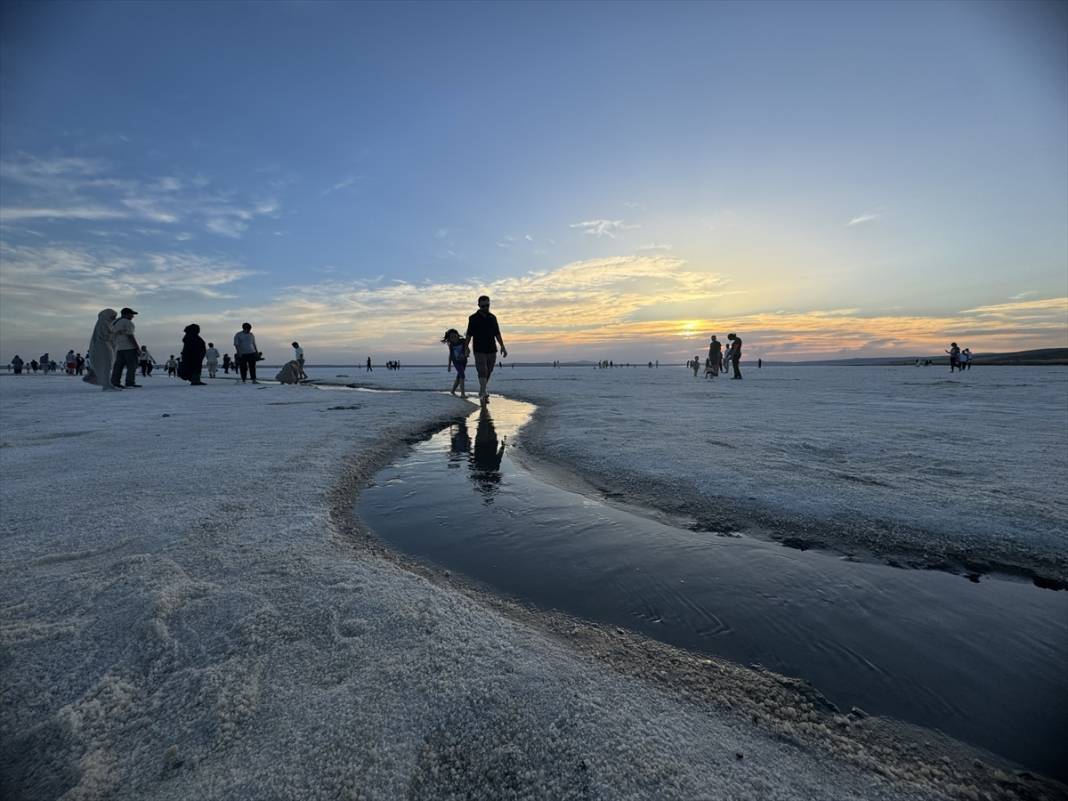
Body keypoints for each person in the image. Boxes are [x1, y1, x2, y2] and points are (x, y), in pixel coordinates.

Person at [464, 295, 507, 405]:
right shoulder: (473, 318)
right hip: (479, 349)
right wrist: (466, 347)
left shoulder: (493, 318)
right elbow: (469, 334)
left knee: (489, 370)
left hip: (492, 348)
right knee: (482, 369)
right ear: (478, 305)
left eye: (487, 305)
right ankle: (483, 392)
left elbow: (497, 333)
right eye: (483, 306)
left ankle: (482, 389)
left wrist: (502, 346)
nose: (485, 307)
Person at [85, 308, 120, 392]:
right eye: (112, 317)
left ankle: (108, 384)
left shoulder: (107, 323)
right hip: (102, 347)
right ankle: (106, 385)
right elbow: (105, 336)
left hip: (105, 346)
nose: (114, 318)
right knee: (105, 366)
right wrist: (117, 333)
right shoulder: (103, 323)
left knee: (107, 366)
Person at [110, 307, 141, 388]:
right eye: (131, 314)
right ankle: (130, 382)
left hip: (118, 348)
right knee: (132, 366)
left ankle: (115, 382)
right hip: (129, 347)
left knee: (118, 366)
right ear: (126, 314)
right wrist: (137, 347)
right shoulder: (127, 322)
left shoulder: (114, 322)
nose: (133, 316)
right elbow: (130, 336)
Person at [442, 328, 469, 398]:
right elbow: (451, 355)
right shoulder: (451, 345)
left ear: (458, 335)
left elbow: (467, 349)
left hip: (464, 361)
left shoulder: (463, 341)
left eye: (455, 336)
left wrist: (466, 353)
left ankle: (452, 390)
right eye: (452, 337)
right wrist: (449, 365)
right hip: (456, 362)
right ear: (450, 339)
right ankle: (462, 394)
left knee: (459, 377)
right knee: (462, 375)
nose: (454, 338)